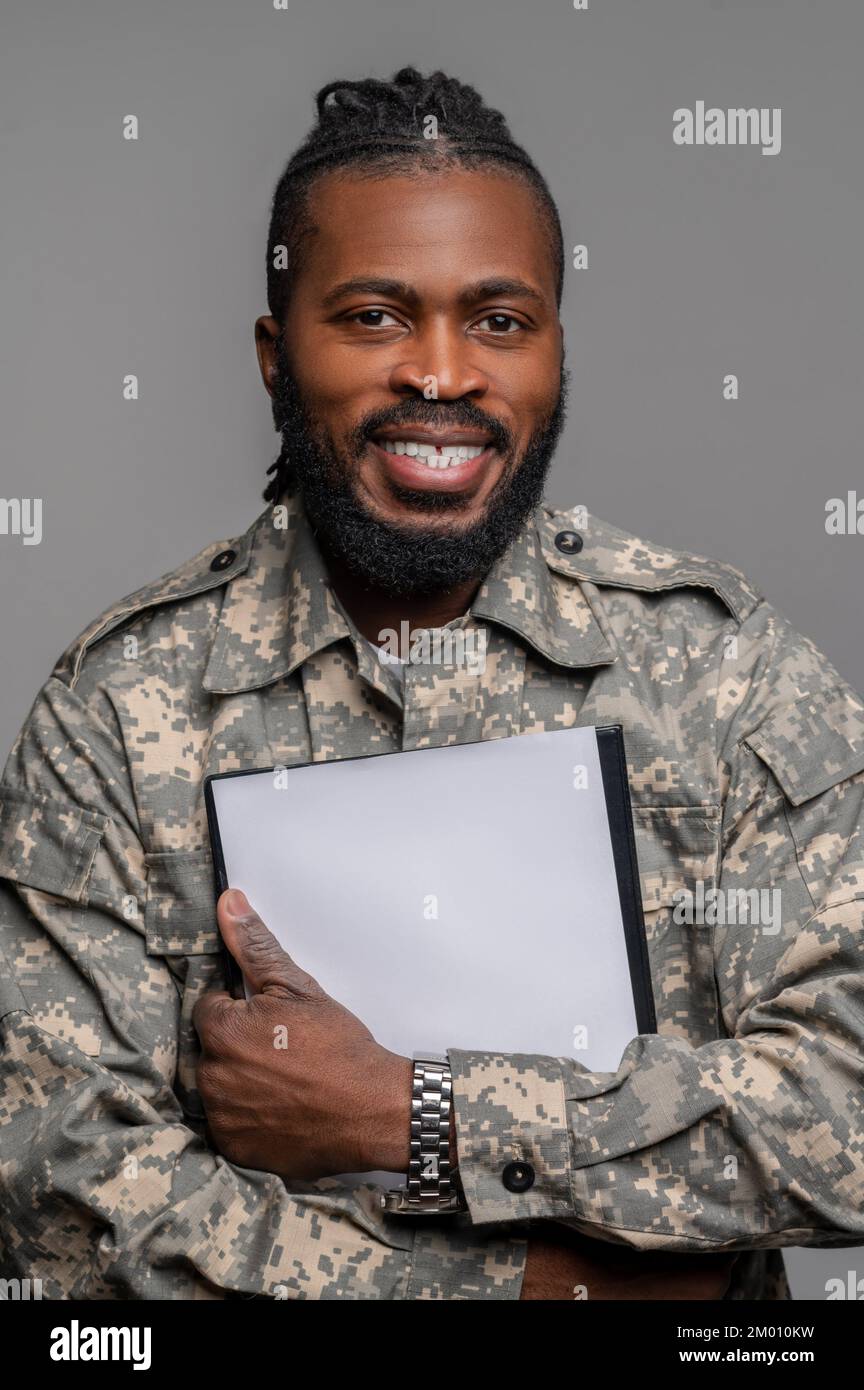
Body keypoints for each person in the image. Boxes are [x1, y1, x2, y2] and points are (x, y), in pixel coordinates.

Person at [1, 67, 862, 1301]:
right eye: (374, 317)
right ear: (272, 353)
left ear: (557, 347)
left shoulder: (724, 669)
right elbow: (64, 1203)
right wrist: (534, 1295)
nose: (443, 374)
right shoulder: (111, 713)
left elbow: (850, 1103)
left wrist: (417, 1113)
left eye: (500, 320)